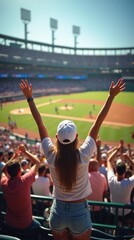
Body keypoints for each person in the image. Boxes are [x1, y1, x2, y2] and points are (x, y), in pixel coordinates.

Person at [20, 78, 125, 240]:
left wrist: (29, 98)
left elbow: (40, 124)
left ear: (56, 137)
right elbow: (97, 123)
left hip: (57, 212)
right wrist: (111, 96)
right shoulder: (84, 154)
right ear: (76, 136)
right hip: (79, 213)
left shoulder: (51, 154)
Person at [0, 144, 41, 230]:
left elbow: (3, 170)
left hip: (9, 222)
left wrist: (14, 157)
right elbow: (37, 162)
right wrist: (24, 151)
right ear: (20, 171)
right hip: (26, 224)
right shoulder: (25, 180)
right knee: (39, 225)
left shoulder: (4, 183)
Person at [107, 145, 134, 226]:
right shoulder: (129, 182)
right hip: (126, 213)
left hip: (113, 212)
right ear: (125, 172)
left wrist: (117, 150)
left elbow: (108, 160)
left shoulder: (111, 179)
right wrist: (128, 158)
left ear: (116, 171)